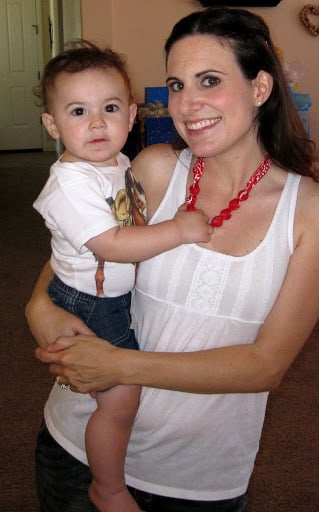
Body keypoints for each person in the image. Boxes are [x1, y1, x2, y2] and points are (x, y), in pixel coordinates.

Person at [27, 7, 319, 512]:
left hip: (196, 477)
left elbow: (265, 367)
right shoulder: (155, 170)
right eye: (177, 84)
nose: (187, 103)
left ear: (260, 88)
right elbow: (79, 245)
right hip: (77, 445)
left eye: (209, 80)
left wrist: (118, 364)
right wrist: (37, 307)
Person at [31, 41, 212, 512]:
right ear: (52, 124)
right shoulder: (69, 184)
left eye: (109, 108)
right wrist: (178, 230)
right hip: (92, 301)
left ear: (131, 115)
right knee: (120, 395)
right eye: (77, 111)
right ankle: (107, 487)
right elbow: (110, 243)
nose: (96, 123)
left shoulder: (114, 164)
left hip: (107, 290)